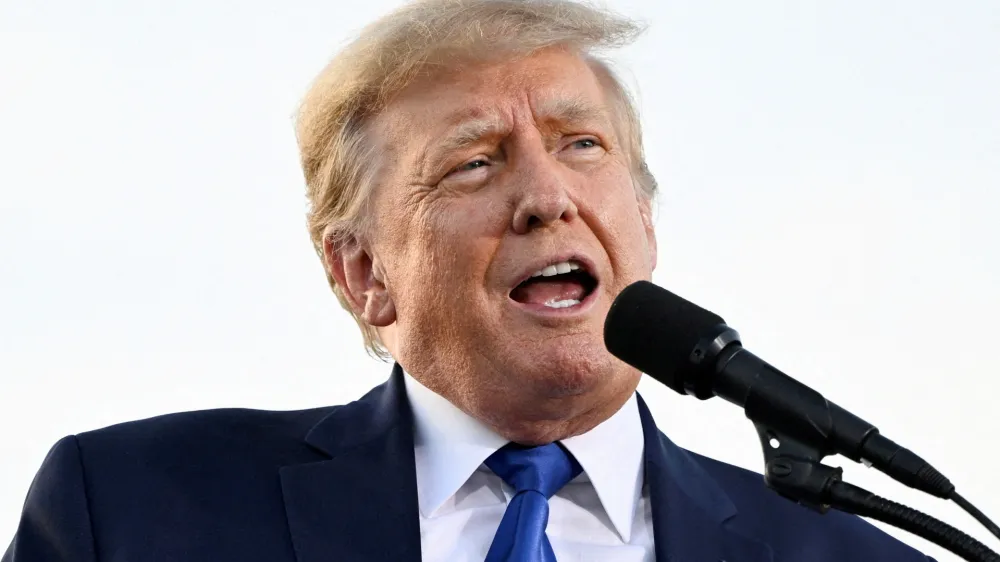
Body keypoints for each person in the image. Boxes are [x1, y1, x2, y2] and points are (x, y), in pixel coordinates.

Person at [4, 1, 934, 560]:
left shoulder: (845, 554)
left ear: (644, 223)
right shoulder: (131, 511)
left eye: (581, 144)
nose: (547, 196)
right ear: (364, 273)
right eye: (474, 163)